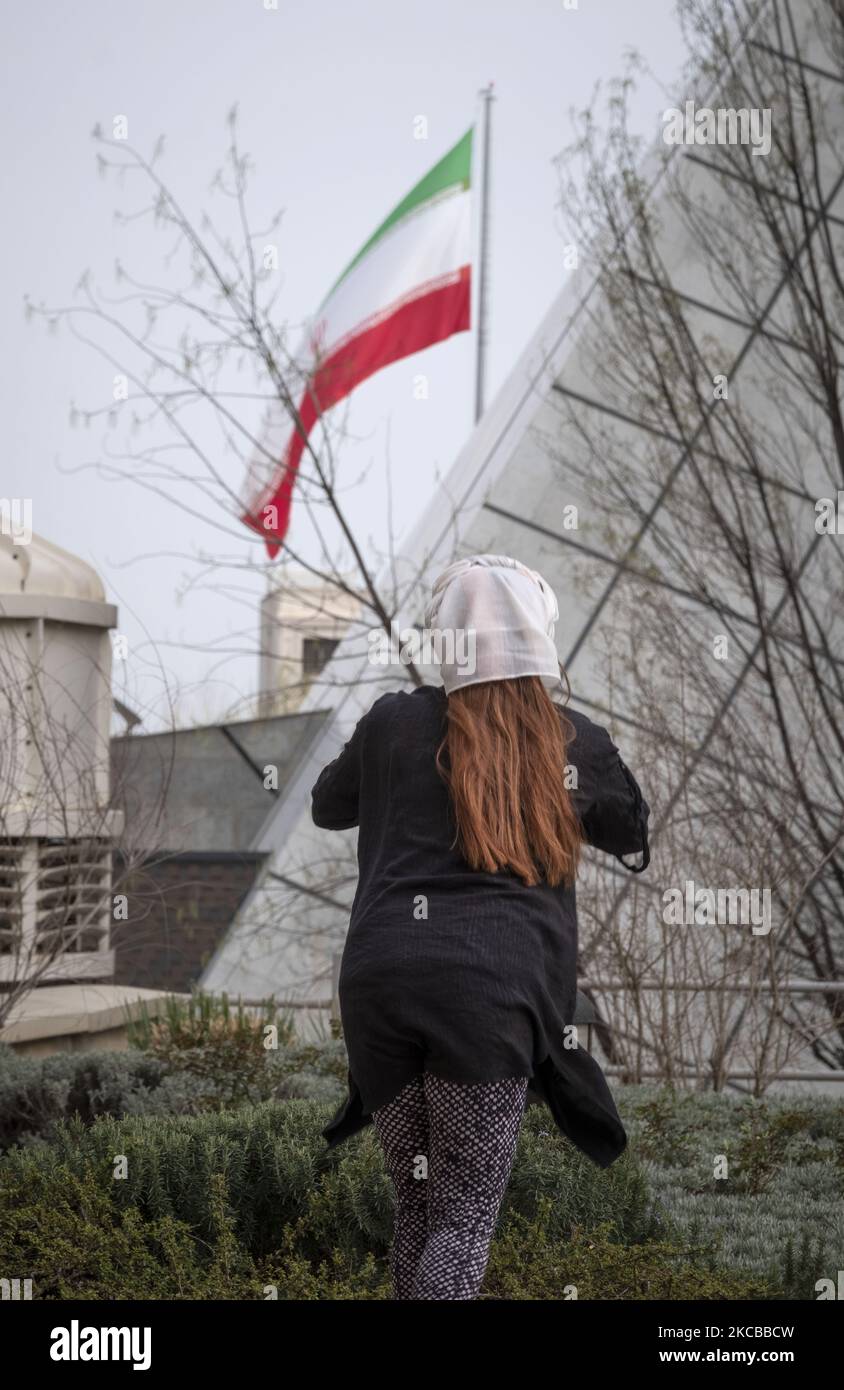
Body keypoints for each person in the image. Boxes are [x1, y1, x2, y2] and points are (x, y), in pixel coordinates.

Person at [311, 553, 650, 1301]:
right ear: (542, 637)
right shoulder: (567, 740)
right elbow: (629, 830)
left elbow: (328, 805)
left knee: (423, 1210)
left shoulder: (394, 723)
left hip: (380, 988)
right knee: (462, 1224)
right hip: (489, 998)